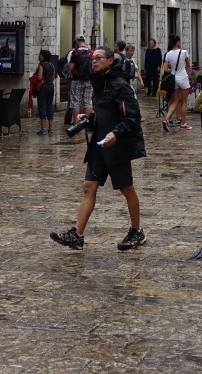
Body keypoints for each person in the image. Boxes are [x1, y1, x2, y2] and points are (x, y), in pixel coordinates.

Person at [49, 46, 147, 251]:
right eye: (93, 58)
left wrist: (116, 133)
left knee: (126, 188)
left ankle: (137, 231)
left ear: (110, 60)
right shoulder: (99, 84)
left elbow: (133, 117)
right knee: (88, 186)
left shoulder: (120, 85)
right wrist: (90, 119)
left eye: (98, 58)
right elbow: (105, 113)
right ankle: (77, 235)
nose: (93, 61)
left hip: (117, 146)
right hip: (99, 144)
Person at [161, 35, 192, 131]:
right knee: (183, 101)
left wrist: (173, 70)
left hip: (174, 79)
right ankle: (183, 123)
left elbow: (165, 69)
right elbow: (188, 65)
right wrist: (185, 67)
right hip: (182, 77)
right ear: (177, 42)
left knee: (175, 101)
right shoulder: (184, 52)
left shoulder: (168, 54)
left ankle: (166, 119)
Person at [65, 36, 94, 123]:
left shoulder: (76, 53)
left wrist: (67, 65)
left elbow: (71, 68)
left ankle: (76, 124)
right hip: (89, 80)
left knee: (76, 102)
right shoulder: (91, 52)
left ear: (77, 42)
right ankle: (89, 124)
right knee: (88, 102)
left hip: (77, 80)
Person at [31, 49, 56, 136]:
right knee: (49, 106)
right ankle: (51, 128)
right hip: (51, 87)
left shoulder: (41, 65)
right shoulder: (52, 65)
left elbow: (39, 78)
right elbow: (53, 77)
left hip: (43, 88)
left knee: (42, 107)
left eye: (40, 55)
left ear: (43, 56)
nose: (38, 56)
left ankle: (43, 129)